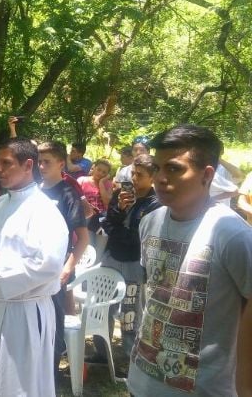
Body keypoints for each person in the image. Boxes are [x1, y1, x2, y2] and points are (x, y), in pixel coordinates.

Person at [128, 124, 252, 397]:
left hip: (203, 388)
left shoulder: (231, 234)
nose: (160, 178)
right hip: (142, 380)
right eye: (158, 167)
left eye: (174, 168)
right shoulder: (149, 222)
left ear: (207, 175)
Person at [0, 138, 68, 396]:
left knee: (21, 382)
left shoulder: (44, 210)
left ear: (28, 165)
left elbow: (49, 264)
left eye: (6, 163)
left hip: (26, 310)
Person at [91, 154, 160, 366]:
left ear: (152, 178)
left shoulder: (156, 204)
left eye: (140, 175)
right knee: (101, 305)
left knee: (130, 312)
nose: (134, 178)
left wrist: (118, 230)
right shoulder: (121, 194)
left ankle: (132, 356)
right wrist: (120, 210)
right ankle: (102, 352)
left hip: (134, 263)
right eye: (133, 173)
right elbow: (107, 223)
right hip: (111, 257)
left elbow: (139, 238)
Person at [37, 140, 89, 377]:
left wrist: (68, 268)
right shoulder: (34, 191)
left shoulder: (68, 193)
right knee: (35, 325)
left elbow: (83, 239)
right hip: (33, 270)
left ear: (61, 163)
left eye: (47, 162)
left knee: (53, 328)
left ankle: (51, 379)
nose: (41, 166)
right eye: (39, 161)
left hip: (57, 272)